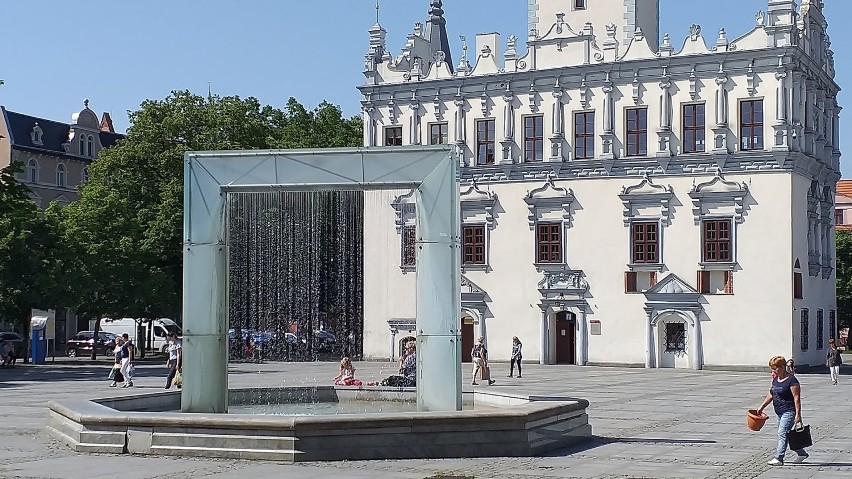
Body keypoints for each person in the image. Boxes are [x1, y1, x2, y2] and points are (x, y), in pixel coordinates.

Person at [756, 355, 809, 466]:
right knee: (785, 434)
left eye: (776, 368)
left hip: (789, 411)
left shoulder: (792, 380)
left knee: (782, 433)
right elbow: (771, 394)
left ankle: (779, 458)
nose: (774, 370)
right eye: (772, 368)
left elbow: (796, 398)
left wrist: (798, 415)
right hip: (779, 412)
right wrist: (761, 407)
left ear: (783, 366)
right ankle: (802, 453)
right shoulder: (776, 379)